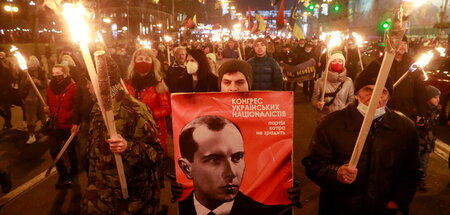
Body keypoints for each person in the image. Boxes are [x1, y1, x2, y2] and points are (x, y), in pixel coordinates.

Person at [302, 63, 421, 215]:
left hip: (383, 208)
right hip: (341, 207)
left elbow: (411, 171)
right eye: (368, 90)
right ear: (357, 93)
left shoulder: (404, 127)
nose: (374, 96)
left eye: (382, 91)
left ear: (389, 96)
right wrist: (336, 173)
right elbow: (313, 163)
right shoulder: (332, 123)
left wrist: (397, 202)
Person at [83, 56, 164, 214]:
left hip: (131, 202)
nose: (86, 87)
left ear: (101, 84)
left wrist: (128, 147)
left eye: (88, 82)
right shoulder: (97, 108)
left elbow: (157, 154)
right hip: (102, 197)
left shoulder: (134, 110)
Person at [178, 115, 290, 215]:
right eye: (214, 160)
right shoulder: (175, 210)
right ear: (187, 168)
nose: (231, 173)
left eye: (237, 157)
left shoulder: (272, 213)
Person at [124, 48, 171, 157]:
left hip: (154, 131)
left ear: (153, 63)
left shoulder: (159, 83)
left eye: (147, 59)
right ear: (134, 61)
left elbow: (167, 109)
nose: (143, 61)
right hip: (133, 131)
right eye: (140, 58)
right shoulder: (127, 82)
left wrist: (148, 113)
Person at [45, 64, 80, 188]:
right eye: (53, 73)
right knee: (54, 150)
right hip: (55, 125)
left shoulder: (73, 87)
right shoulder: (51, 86)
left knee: (71, 151)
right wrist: (46, 107)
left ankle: (74, 172)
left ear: (65, 74)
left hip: (69, 125)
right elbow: (47, 99)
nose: (55, 76)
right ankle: (63, 174)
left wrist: (76, 123)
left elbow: (77, 106)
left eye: (58, 73)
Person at [311, 52, 354, 122]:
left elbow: (351, 100)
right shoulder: (320, 82)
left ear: (343, 64)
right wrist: (317, 105)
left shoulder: (348, 81)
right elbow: (314, 100)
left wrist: (344, 110)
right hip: (325, 118)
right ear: (329, 64)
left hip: (342, 118)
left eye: (340, 61)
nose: (337, 63)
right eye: (334, 61)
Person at [417, 85, 441, 191]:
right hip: (419, 142)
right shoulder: (421, 110)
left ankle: (422, 180)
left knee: (425, 163)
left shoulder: (436, 111)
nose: (438, 99)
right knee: (415, 162)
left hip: (428, 142)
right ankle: (412, 180)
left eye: (438, 97)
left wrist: (433, 140)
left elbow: (433, 127)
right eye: (435, 97)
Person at [20, 56, 48, 144]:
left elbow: (45, 84)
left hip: (41, 98)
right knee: (30, 117)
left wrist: (38, 81)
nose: (32, 67)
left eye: (34, 65)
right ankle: (31, 135)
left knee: (44, 116)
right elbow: (22, 86)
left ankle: (47, 131)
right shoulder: (26, 73)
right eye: (31, 65)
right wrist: (27, 82)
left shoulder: (42, 72)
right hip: (30, 99)